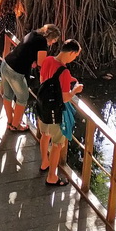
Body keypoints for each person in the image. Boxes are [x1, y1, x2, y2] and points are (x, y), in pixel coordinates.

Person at [37, 39, 83, 187]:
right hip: (55, 112)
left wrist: (65, 80)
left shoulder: (48, 60)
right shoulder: (64, 71)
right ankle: (52, 177)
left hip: (43, 106)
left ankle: (44, 162)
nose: (74, 58)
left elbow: (44, 80)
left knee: (45, 135)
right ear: (71, 53)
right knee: (57, 145)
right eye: (75, 56)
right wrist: (75, 90)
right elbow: (65, 97)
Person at [0, 23, 61, 132]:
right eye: (54, 41)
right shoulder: (42, 42)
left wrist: (33, 60)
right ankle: (15, 125)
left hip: (6, 63)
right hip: (15, 71)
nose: (53, 43)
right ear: (51, 37)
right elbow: (41, 62)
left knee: (8, 95)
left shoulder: (34, 33)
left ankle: (10, 121)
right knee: (23, 98)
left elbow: (29, 49)